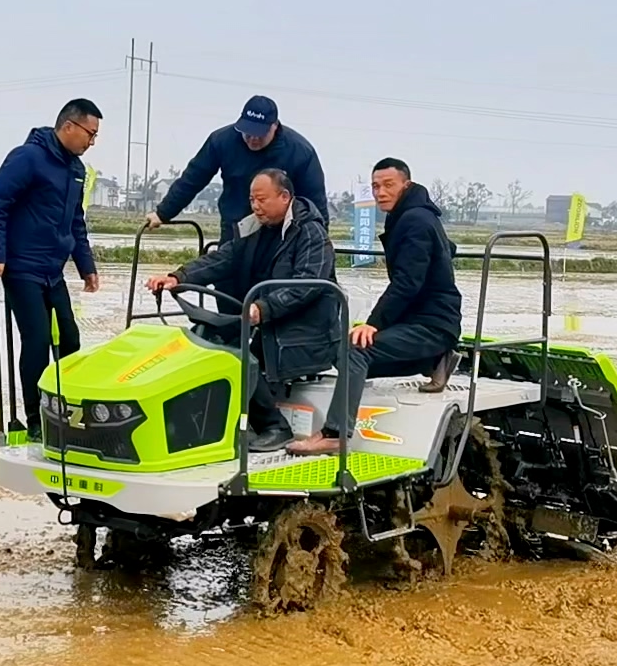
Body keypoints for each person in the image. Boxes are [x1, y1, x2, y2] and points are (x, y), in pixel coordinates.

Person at [144, 169, 337, 451]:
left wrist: (262, 308)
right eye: (252, 200)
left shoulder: (311, 233)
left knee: (237, 357)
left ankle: (275, 426)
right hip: (268, 318)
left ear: (285, 197)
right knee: (204, 337)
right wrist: (179, 277)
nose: (255, 206)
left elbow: (306, 286)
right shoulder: (255, 229)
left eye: (262, 199)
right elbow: (224, 258)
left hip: (304, 329)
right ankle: (200, 422)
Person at [288, 157, 462, 456]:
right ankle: (433, 360)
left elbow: (407, 282)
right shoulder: (415, 215)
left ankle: (335, 434)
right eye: (375, 186)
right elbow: (448, 249)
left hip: (431, 323)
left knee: (355, 350)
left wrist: (374, 323)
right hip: (426, 319)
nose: (380, 192)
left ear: (406, 184)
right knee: (343, 355)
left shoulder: (415, 220)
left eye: (388, 185)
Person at [0, 99, 104, 435]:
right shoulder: (28, 158)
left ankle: (65, 410)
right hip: (21, 268)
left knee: (70, 340)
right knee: (36, 340)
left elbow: (76, 222)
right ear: (69, 126)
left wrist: (86, 265)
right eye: (90, 133)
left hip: (53, 271)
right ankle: (36, 418)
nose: (92, 142)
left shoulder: (76, 170)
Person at [147, 95, 328, 242]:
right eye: (248, 132)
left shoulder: (300, 152)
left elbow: (315, 202)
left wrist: (319, 243)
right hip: (235, 229)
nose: (253, 139)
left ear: (275, 126)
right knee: (224, 270)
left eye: (260, 134)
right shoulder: (221, 141)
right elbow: (193, 179)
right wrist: (163, 213)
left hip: (279, 234)